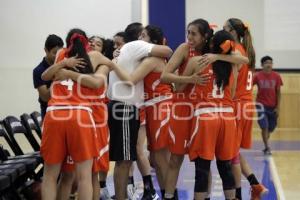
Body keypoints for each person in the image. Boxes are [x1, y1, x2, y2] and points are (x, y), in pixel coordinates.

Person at [161, 19, 248, 200]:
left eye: (193, 33)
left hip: (203, 112)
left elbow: (243, 59)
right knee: (176, 158)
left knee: (203, 161)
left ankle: (205, 196)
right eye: (188, 33)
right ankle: (169, 195)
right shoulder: (185, 50)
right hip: (184, 109)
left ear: (206, 36)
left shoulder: (212, 54)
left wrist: (217, 57)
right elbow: (165, 76)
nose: (189, 37)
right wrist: (189, 80)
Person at [40, 28, 114, 200]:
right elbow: (99, 79)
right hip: (81, 115)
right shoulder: (93, 57)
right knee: (85, 177)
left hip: (55, 114)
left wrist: (64, 67)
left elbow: (45, 77)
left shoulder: (60, 55)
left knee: (51, 175)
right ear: (87, 43)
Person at [107, 22, 172, 200]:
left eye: (145, 36)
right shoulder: (137, 50)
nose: (142, 39)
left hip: (157, 106)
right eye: (141, 35)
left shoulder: (144, 56)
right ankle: (160, 193)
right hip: (133, 107)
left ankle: (165, 194)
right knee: (137, 159)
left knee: (156, 158)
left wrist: (112, 63)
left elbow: (167, 51)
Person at [179, 30, 239, 200]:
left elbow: (178, 88)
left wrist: (189, 79)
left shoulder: (196, 61)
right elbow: (232, 93)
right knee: (225, 166)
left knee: (202, 168)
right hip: (227, 117)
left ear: (212, 44)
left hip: (206, 116)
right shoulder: (233, 65)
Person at [223, 18, 268, 200]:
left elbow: (232, 83)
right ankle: (255, 184)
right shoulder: (247, 50)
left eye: (226, 29)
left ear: (233, 32)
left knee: (230, 155)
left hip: (237, 105)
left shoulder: (234, 50)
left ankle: (240, 194)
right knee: (234, 152)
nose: (224, 32)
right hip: (247, 104)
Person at [254, 56, 283, 155]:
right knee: (264, 126)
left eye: (270, 63)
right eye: (266, 62)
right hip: (261, 105)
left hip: (273, 106)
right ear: (262, 65)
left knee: (271, 128)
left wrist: (278, 107)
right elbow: (248, 86)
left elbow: (278, 93)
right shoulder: (257, 76)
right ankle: (267, 147)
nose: (269, 64)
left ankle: (266, 142)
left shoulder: (277, 76)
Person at [33, 34, 63, 119]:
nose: (57, 56)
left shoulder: (64, 65)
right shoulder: (38, 71)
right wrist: (58, 80)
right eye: (54, 53)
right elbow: (45, 97)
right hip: (48, 112)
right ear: (46, 50)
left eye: (60, 53)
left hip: (65, 111)